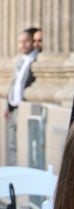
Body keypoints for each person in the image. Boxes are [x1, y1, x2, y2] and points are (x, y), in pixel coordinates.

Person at [4, 27, 39, 165]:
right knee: (12, 144)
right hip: (13, 107)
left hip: (24, 107)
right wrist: (8, 105)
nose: (22, 45)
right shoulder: (21, 60)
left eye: (26, 41)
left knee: (25, 145)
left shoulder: (35, 59)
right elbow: (15, 83)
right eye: (20, 42)